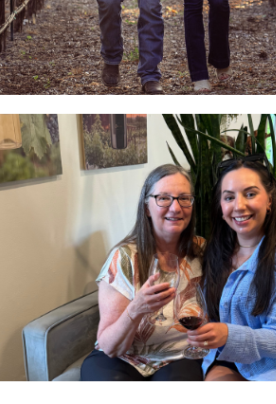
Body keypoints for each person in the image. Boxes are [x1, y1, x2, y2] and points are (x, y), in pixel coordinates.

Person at [188, 156, 276, 381]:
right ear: (220, 206)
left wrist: (228, 335)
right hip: (227, 358)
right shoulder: (216, 252)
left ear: (270, 200)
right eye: (229, 197)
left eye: (250, 194)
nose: (239, 206)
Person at [81, 163, 204, 381]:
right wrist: (136, 309)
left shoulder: (203, 252)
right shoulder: (124, 258)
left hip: (180, 357)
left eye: (184, 198)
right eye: (164, 198)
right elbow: (109, 347)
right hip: (122, 358)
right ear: (147, 207)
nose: (175, 208)